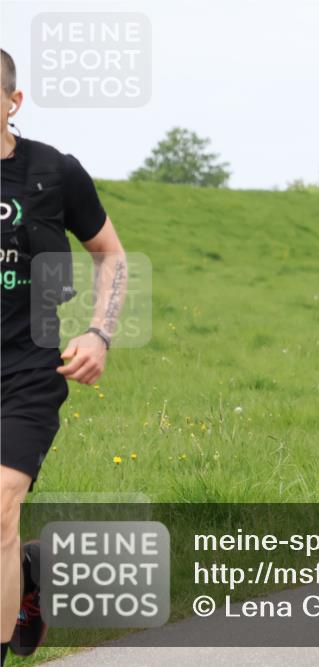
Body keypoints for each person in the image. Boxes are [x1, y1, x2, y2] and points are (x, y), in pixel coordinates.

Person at [1, 49, 127, 661]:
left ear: (13, 102)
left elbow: (111, 254)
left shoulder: (53, 171)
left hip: (26, 373)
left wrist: (99, 332)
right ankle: (26, 576)